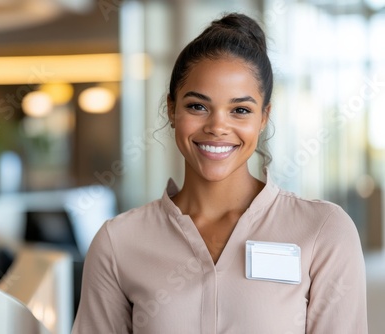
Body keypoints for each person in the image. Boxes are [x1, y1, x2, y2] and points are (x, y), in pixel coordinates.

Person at [72, 12, 368, 334]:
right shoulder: (118, 242)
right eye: (197, 106)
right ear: (172, 109)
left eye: (240, 110)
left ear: (264, 117)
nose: (216, 127)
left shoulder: (324, 232)